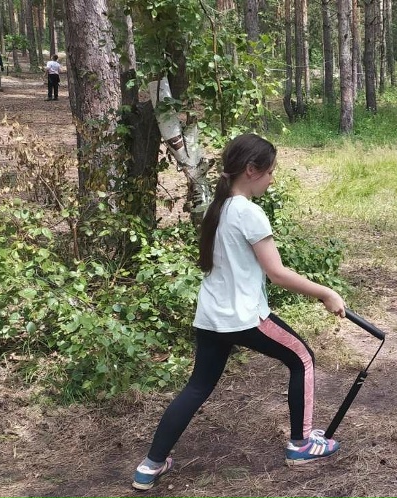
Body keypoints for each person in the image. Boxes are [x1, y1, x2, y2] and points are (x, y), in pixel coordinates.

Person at [132, 134, 346, 491]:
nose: (272, 179)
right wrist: (326, 293)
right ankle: (301, 445)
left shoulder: (217, 208)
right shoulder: (249, 212)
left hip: (211, 317)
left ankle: (150, 465)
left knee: (197, 387)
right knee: (303, 359)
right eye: (270, 172)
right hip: (244, 318)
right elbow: (277, 274)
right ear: (251, 170)